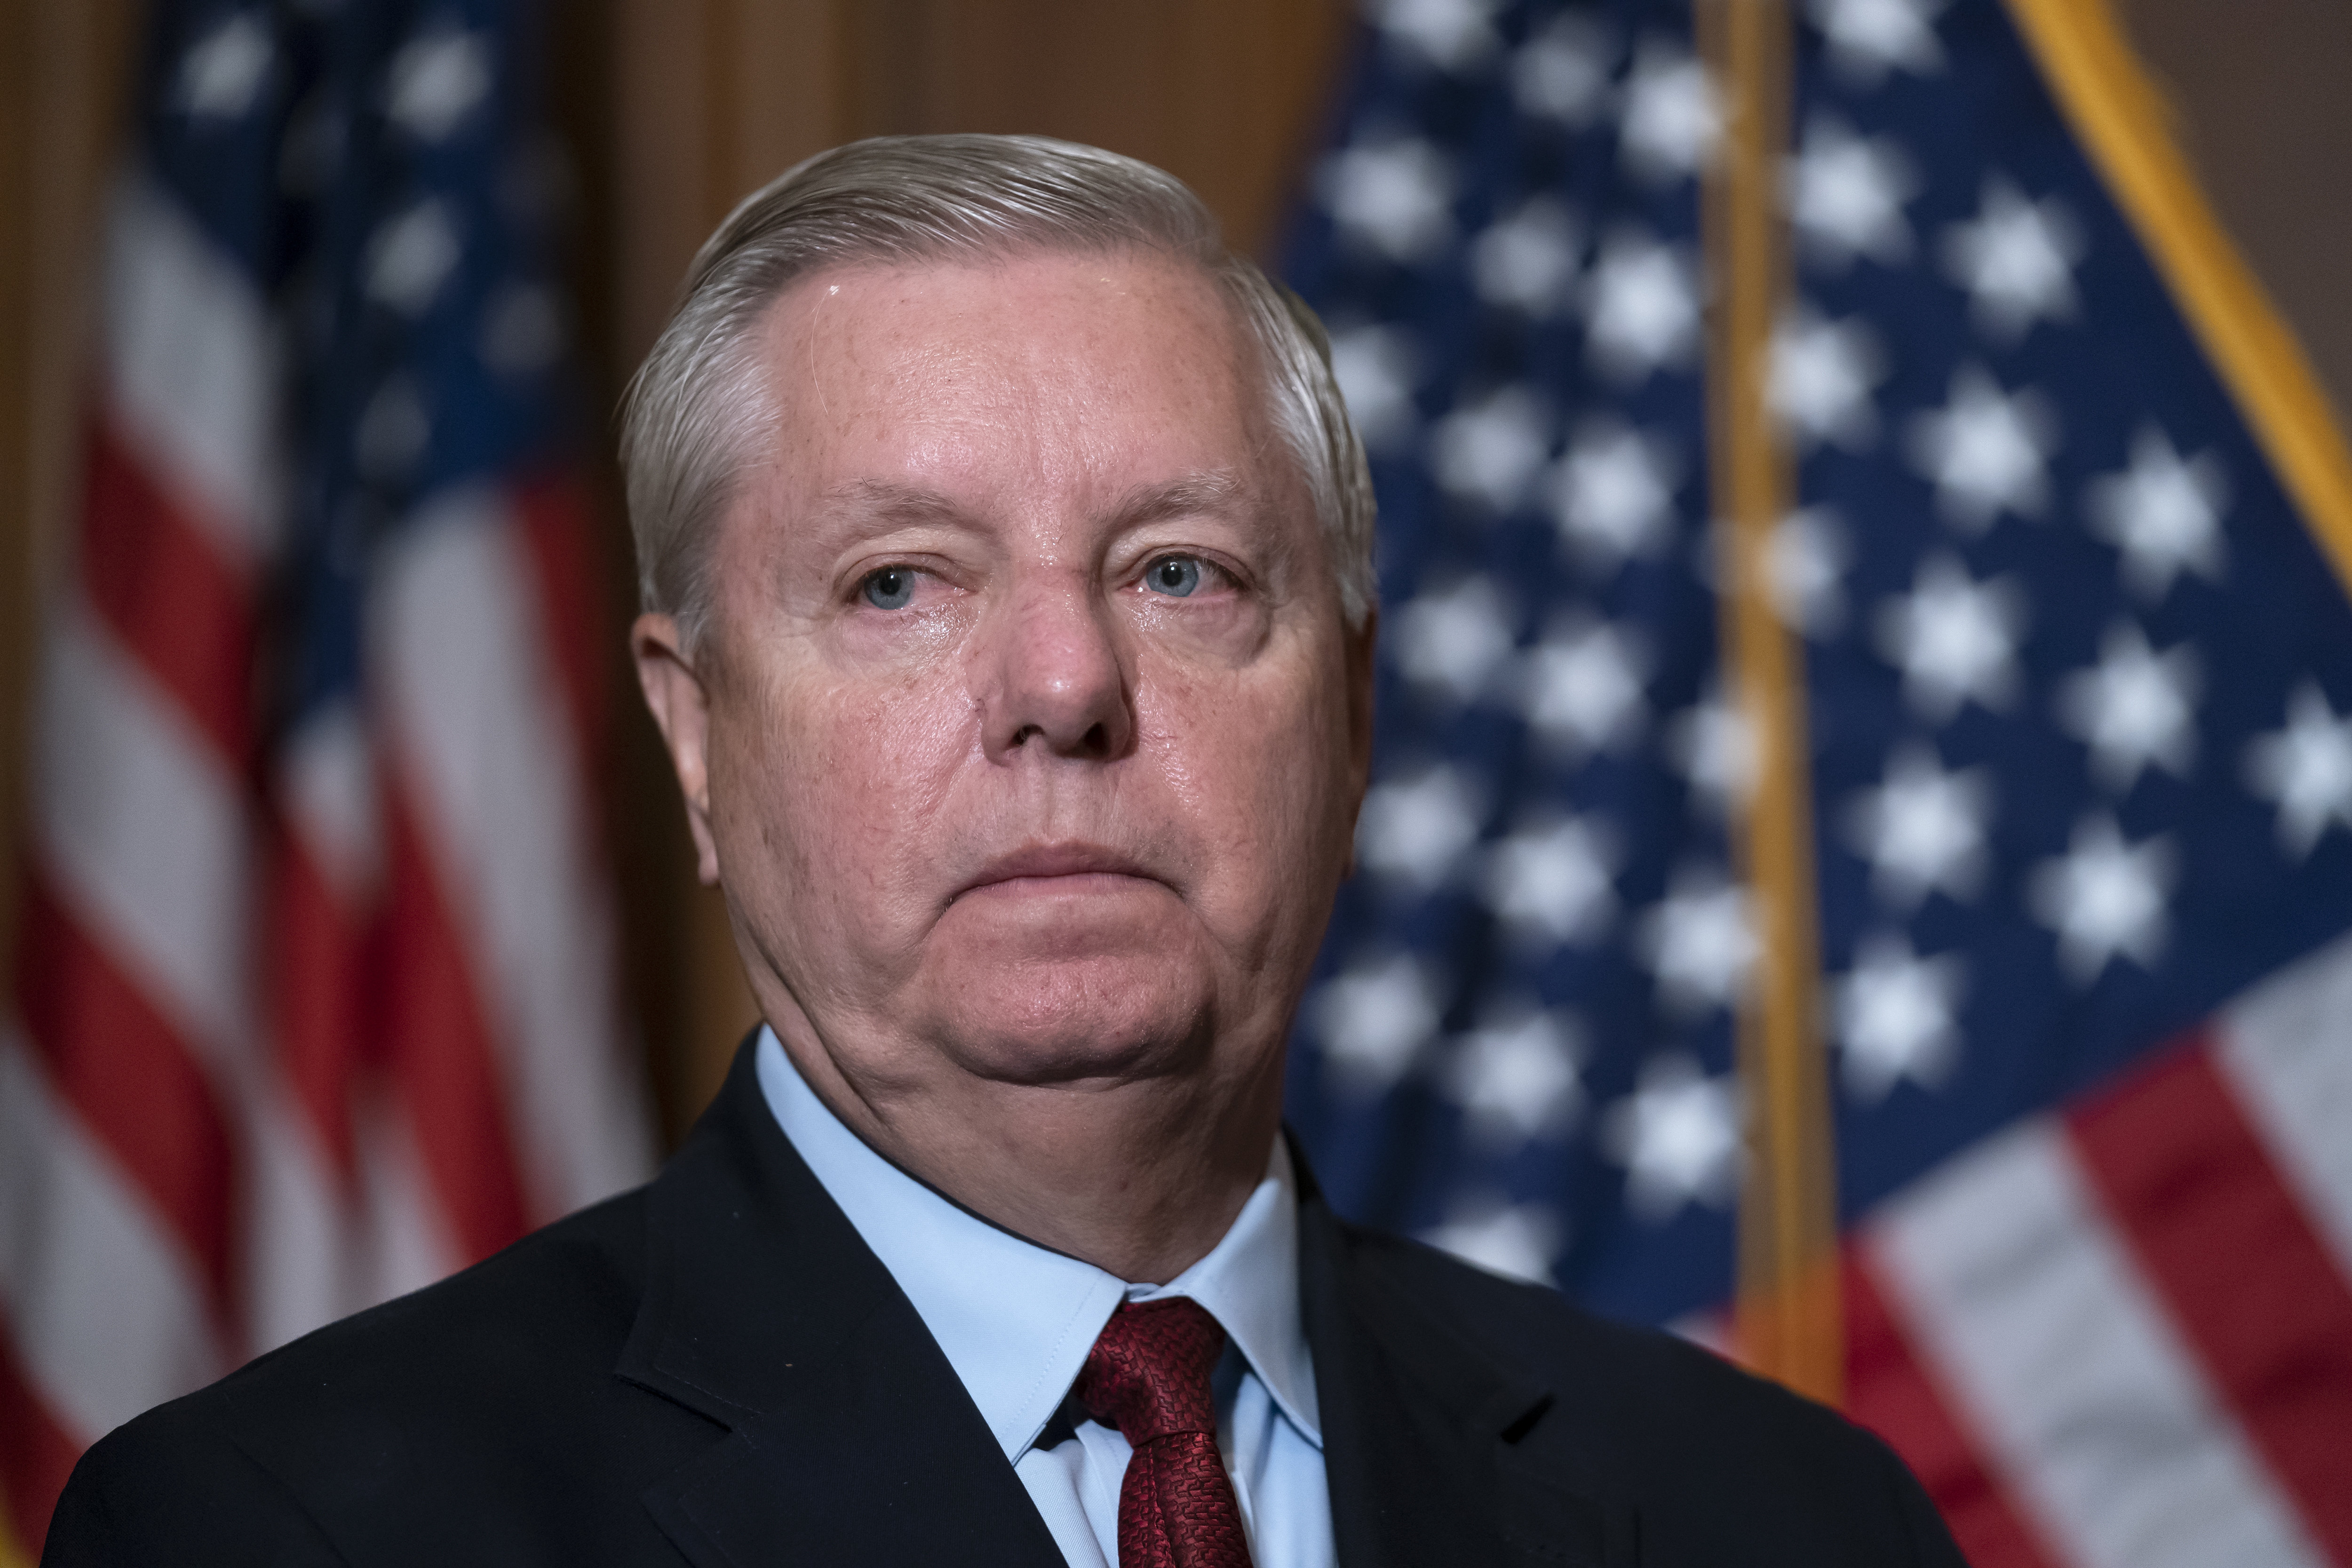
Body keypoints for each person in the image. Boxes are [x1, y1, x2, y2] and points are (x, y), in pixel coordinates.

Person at [44, 135, 1964, 1568]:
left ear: (1353, 713)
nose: (1064, 685)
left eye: (1181, 573)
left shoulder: (1788, 1521)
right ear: (697, 739)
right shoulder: (285, 1533)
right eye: (899, 584)